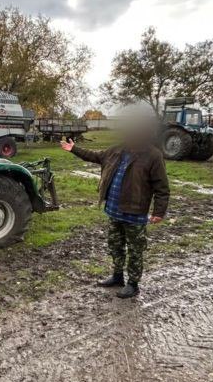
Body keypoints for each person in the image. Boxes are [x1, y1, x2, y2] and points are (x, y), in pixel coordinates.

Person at [60, 121, 169, 299]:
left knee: (135, 250)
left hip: (135, 212)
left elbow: (162, 187)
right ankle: (117, 276)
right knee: (115, 245)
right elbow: (95, 156)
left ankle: (133, 284)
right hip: (114, 209)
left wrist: (159, 211)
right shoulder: (117, 150)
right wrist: (74, 149)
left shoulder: (153, 155)